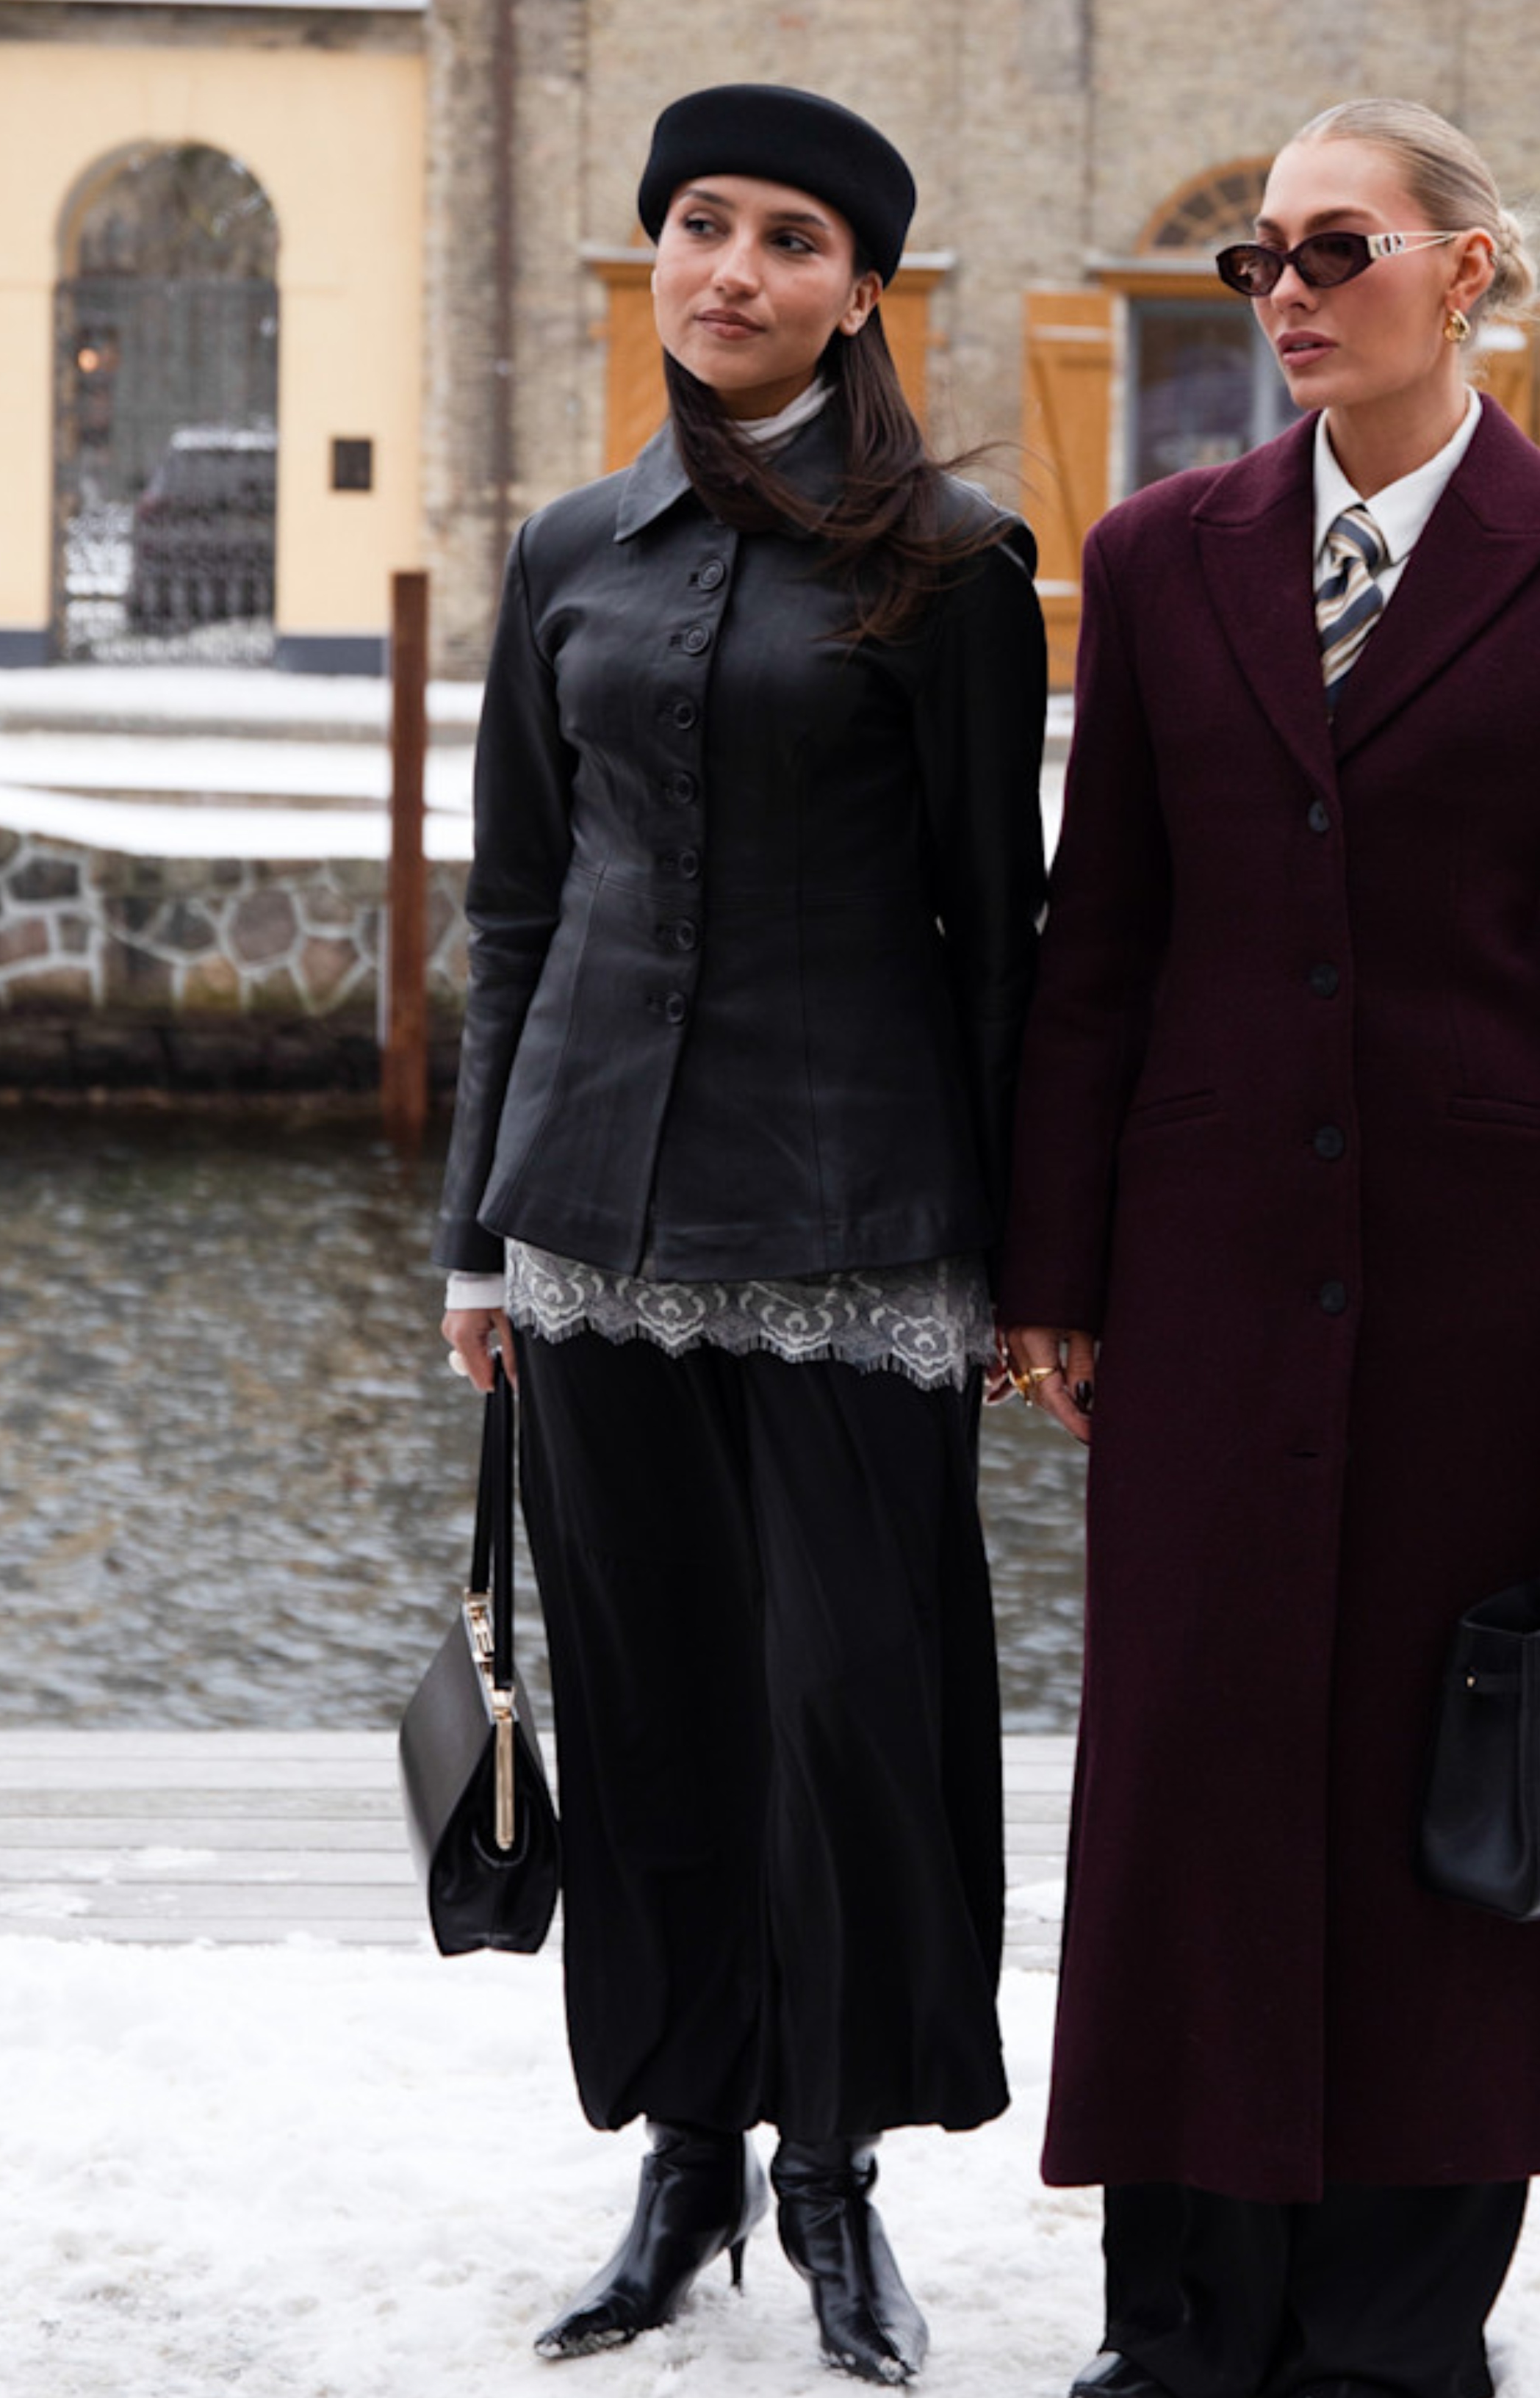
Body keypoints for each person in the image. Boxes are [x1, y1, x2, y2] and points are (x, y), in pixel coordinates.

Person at [998, 98, 1540, 2398]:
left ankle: (1404, 2332)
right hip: (1203, 1273)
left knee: (1464, 1797)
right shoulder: (1155, 555)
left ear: (1471, 271)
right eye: (1256, 261)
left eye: (1336, 247)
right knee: (1194, 1787)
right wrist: (1052, 1266)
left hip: (1496, 1298)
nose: (1289, 294)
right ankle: (1182, 2324)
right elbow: (1094, 933)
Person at [429, 82, 1046, 2380]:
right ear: (656, 253)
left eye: (790, 239)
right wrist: (479, 1238)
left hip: (864, 1231)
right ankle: (684, 2157)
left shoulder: (956, 569)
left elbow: (1009, 938)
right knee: (662, 1703)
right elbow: (514, 907)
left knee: (847, 1715)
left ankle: (836, 2173)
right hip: (586, 1220)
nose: (733, 270)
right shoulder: (567, 545)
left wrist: (1026, 1259)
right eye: (700, 225)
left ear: (860, 289)